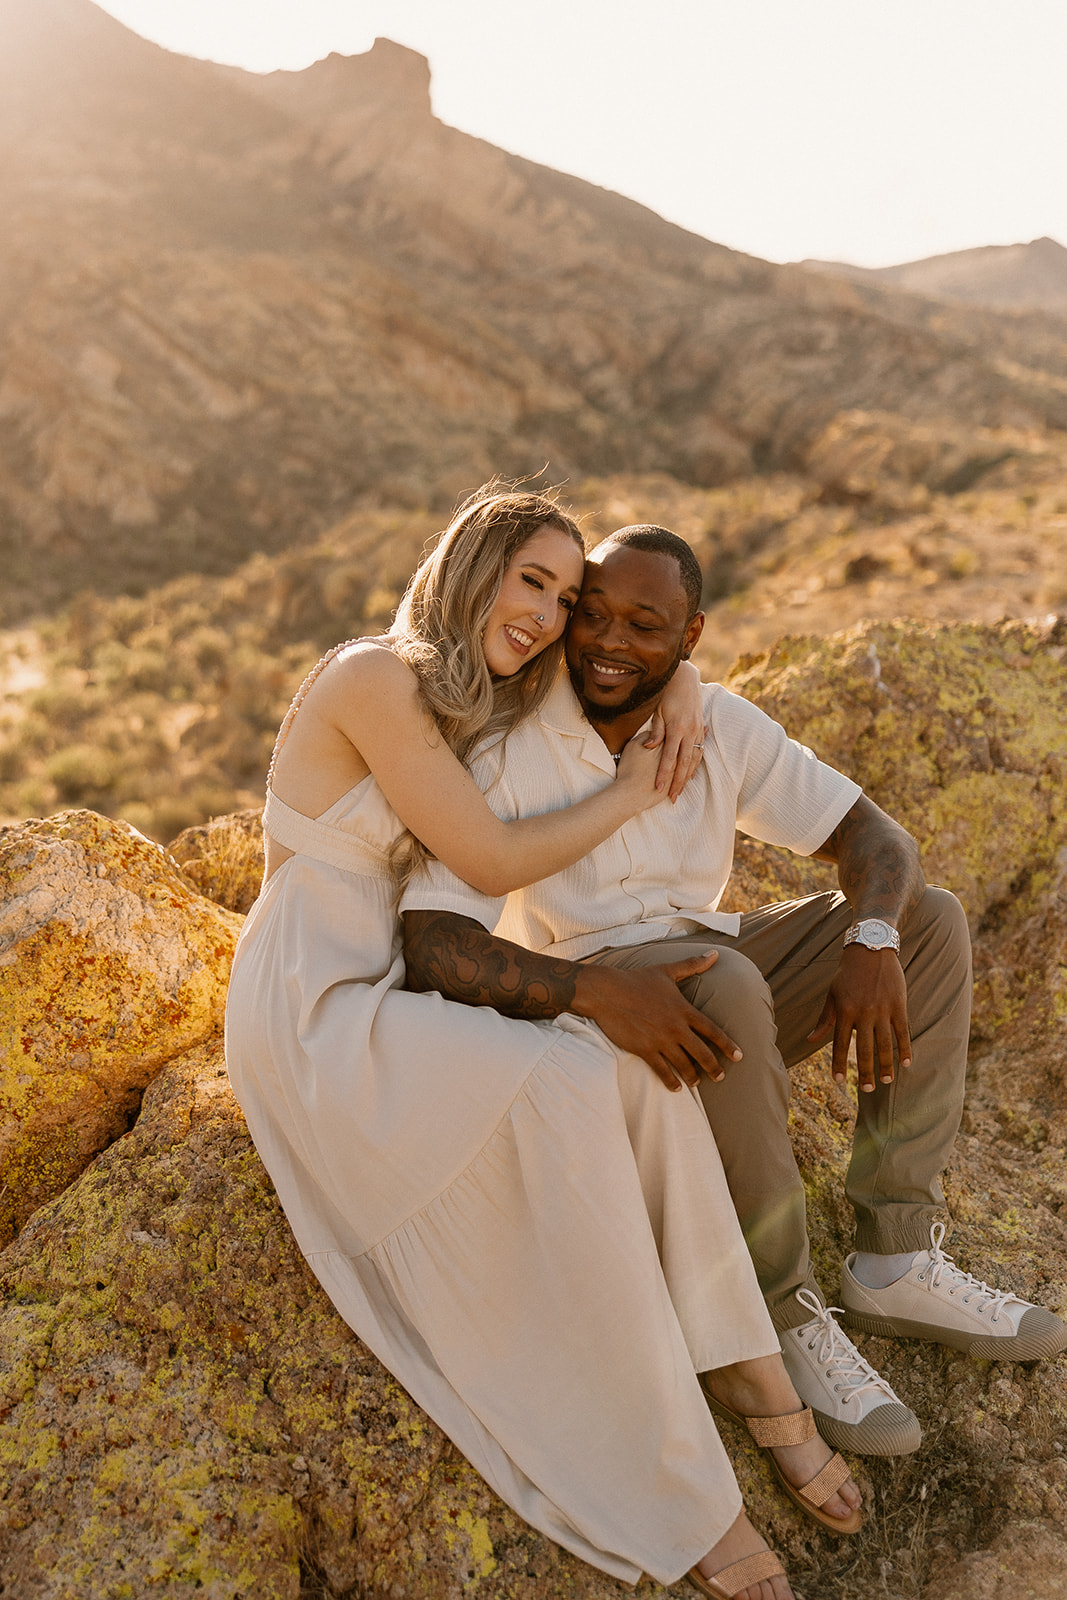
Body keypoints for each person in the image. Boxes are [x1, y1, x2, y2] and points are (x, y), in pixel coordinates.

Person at [225, 487, 865, 1600]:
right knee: (572, 1081)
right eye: (534, 580)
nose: (548, 615)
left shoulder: (479, 694)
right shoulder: (370, 677)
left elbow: (625, 678)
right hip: (316, 1007)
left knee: (637, 1073)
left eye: (566, 597)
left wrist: (689, 687)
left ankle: (757, 1379)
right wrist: (628, 794)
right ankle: (679, 1487)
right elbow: (483, 860)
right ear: (472, 563)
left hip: (393, 991)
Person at [401, 522, 1067, 1462]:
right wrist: (593, 990)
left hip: (710, 965)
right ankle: (783, 1311)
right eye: (591, 614)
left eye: (645, 625)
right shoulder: (508, 740)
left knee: (929, 921)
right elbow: (432, 942)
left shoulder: (716, 723)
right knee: (729, 976)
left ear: (692, 636)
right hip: (593, 998)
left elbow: (881, 842)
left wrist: (870, 937)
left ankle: (894, 1256)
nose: (608, 642)